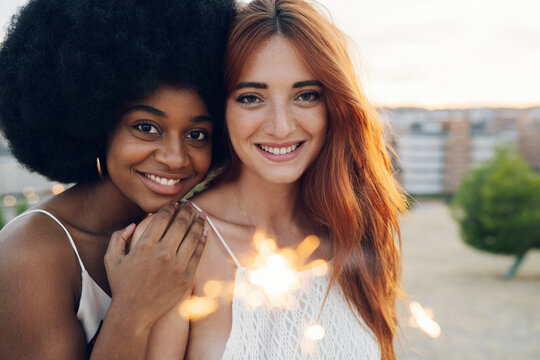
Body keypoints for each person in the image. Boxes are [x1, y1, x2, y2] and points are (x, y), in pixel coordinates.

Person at [146, 0, 407, 359]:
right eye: (251, 98)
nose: (281, 126)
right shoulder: (178, 245)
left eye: (306, 96)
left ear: (333, 104)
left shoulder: (356, 229)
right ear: (220, 108)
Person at [0, 0, 235, 359]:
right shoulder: (27, 255)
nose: (174, 157)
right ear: (95, 124)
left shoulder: (191, 231)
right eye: (146, 127)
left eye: (197, 134)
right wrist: (134, 307)